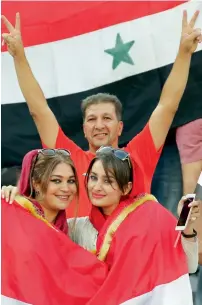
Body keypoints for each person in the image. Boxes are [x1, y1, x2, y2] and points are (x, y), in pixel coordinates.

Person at [1, 11, 202, 216]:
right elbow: (39, 110)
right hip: (77, 249)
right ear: (84, 130)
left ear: (120, 127)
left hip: (133, 247)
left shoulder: (138, 156)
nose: (99, 125)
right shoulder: (68, 163)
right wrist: (19, 57)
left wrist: (185, 54)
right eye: (92, 119)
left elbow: (167, 106)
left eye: (107, 118)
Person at [2, 148, 200, 276]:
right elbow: (37, 242)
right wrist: (20, 199)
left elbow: (188, 265)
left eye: (107, 181)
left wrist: (187, 228)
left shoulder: (149, 222)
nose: (96, 187)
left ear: (126, 187)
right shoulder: (73, 229)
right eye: (93, 177)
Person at [10, 148, 79, 234]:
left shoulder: (70, 230)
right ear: (36, 184)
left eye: (71, 181)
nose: (66, 188)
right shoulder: (13, 217)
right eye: (56, 180)